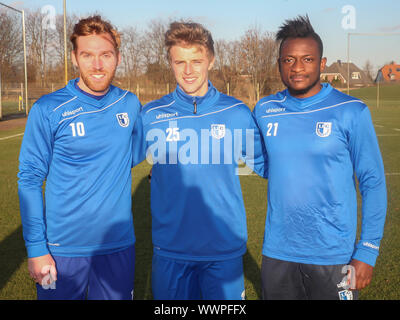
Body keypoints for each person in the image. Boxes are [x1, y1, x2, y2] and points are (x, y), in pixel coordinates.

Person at [252, 15, 387, 300]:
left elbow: (372, 182)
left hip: (335, 255)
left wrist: (368, 250)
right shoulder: (266, 109)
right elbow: (266, 163)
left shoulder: (351, 111)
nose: (297, 68)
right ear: (279, 63)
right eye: (288, 60)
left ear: (322, 64)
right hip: (278, 253)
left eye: (307, 59)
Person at [134, 21, 267, 300]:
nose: (188, 70)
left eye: (196, 60)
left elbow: (271, 167)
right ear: (169, 62)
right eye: (179, 61)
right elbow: (114, 163)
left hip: (223, 250)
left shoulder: (236, 113)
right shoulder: (152, 115)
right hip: (170, 251)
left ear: (211, 60)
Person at [17, 15, 142, 300]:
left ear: (118, 58)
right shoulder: (49, 109)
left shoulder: (130, 103)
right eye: (87, 55)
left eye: (105, 55)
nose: (97, 65)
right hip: (61, 250)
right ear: (74, 57)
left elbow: (133, 154)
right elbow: (29, 180)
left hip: (118, 246)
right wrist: (36, 248)